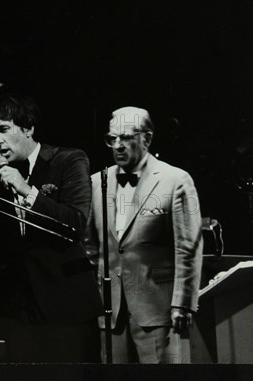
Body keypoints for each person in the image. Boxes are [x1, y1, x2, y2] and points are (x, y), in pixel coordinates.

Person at [0, 94, 102, 363]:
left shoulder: (68, 159)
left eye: (3, 129)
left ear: (28, 128)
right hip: (19, 312)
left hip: (67, 306)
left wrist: (26, 190)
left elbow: (75, 223)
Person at [83, 106, 203, 363]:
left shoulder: (176, 180)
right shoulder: (96, 182)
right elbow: (90, 247)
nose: (117, 145)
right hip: (110, 310)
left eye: (125, 138)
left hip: (157, 309)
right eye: (111, 138)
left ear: (146, 139)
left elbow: (188, 247)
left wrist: (183, 303)